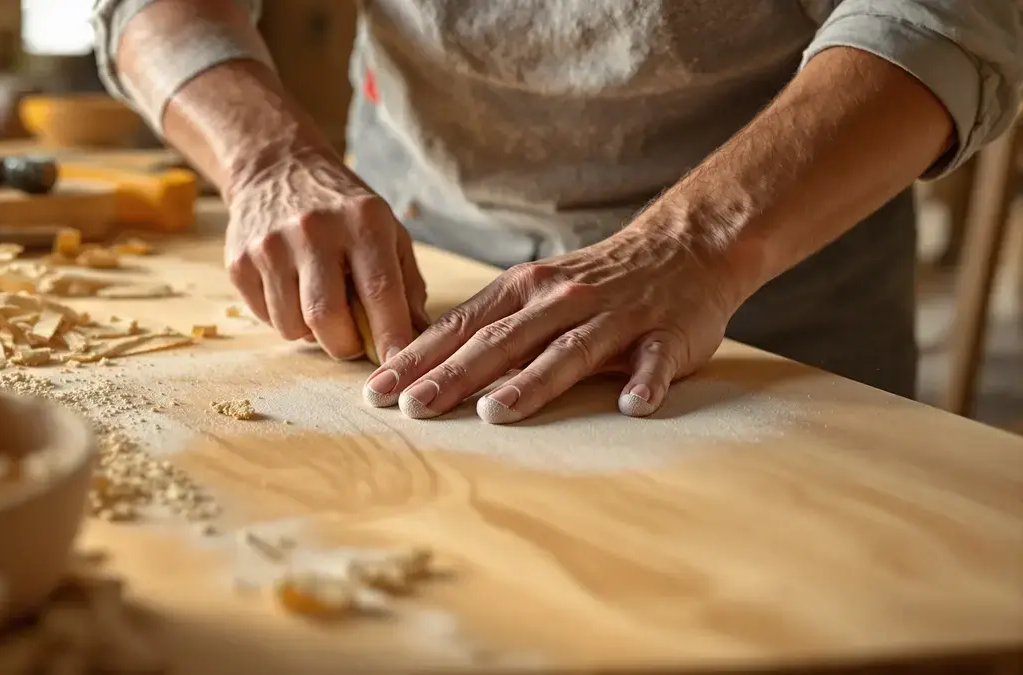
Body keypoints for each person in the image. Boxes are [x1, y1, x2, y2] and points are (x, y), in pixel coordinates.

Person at [93, 1, 1021, 423]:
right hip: (419, 263)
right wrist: (268, 158)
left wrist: (696, 243)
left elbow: (940, 16)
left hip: (763, 295)